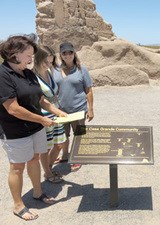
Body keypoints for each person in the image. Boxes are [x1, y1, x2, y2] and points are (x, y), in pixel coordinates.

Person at [0, 35, 67, 221]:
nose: (31, 59)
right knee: (17, 167)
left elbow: (40, 98)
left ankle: (38, 193)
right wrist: (41, 119)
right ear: (15, 54)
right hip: (15, 131)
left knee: (35, 158)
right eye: (28, 55)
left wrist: (55, 110)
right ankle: (18, 205)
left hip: (35, 127)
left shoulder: (28, 73)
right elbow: (12, 108)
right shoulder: (3, 75)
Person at [53, 42, 94, 172]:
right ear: (61, 55)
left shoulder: (82, 69)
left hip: (78, 109)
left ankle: (77, 158)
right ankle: (65, 155)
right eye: (64, 53)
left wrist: (91, 109)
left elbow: (89, 90)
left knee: (79, 135)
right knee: (63, 136)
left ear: (74, 53)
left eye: (70, 52)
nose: (68, 55)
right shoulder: (55, 71)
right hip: (61, 111)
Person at [32, 45, 66, 183]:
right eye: (46, 62)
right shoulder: (33, 77)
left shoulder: (49, 72)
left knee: (59, 143)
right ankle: (47, 173)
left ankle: (49, 167)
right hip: (45, 116)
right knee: (45, 148)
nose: (49, 64)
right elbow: (40, 100)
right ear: (38, 59)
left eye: (51, 62)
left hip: (56, 113)